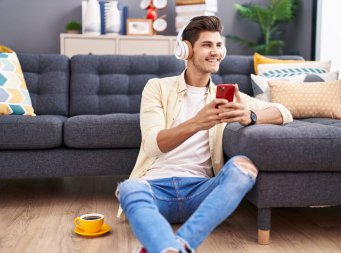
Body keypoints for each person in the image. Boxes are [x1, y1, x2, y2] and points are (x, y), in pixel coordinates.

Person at [116, 16, 293, 253]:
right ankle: (174, 248)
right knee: (128, 188)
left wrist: (249, 116)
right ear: (186, 50)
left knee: (244, 167)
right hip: (155, 188)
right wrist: (197, 123)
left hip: (201, 191)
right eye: (207, 45)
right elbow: (152, 144)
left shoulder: (227, 96)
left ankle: (175, 246)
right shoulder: (157, 87)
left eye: (219, 45)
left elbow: (284, 112)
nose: (216, 52)